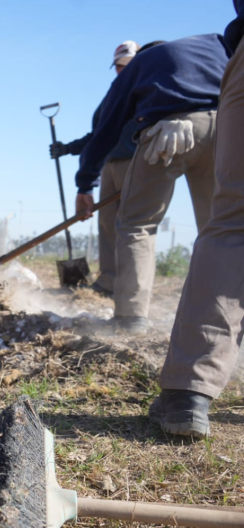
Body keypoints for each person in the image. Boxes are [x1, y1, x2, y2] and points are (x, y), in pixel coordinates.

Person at [74, 35, 228, 334]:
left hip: (168, 131)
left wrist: (85, 184)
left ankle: (130, 320)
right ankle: (219, 323)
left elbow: (104, 132)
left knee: (137, 225)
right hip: (227, 127)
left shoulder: (141, 64)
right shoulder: (219, 44)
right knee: (219, 229)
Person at [150, 0, 244, 438]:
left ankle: (190, 389)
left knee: (233, 224)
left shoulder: (147, 64)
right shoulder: (201, 51)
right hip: (208, 119)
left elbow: (110, 119)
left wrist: (83, 177)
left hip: (180, 126)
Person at [49, 41, 140, 297]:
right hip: (110, 164)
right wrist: (68, 148)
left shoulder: (144, 88)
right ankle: (109, 283)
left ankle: (131, 290)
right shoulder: (114, 93)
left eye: (127, 66)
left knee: (133, 227)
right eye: (118, 67)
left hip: (136, 163)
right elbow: (99, 135)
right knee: (108, 225)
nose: (121, 71)